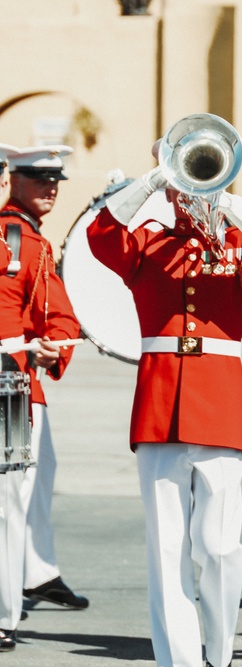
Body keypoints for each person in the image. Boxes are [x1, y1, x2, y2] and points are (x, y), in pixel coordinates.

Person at [87, 125, 242, 667]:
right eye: (184, 177)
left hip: (219, 411)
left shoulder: (239, 248)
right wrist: (154, 179)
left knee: (220, 547)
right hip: (159, 409)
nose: (190, 191)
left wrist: (224, 197)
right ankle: (179, 660)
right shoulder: (147, 242)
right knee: (166, 550)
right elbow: (100, 233)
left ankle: (220, 653)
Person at [1, 146, 85, 611]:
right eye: (38, 179)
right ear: (12, 180)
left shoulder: (30, 238)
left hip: (22, 379)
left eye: (54, 181)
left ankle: (37, 570)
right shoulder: (20, 238)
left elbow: (55, 312)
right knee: (13, 492)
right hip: (12, 378)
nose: (50, 188)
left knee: (37, 474)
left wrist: (56, 345)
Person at [0, 143, 27, 652]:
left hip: (7, 381)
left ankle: (3, 614)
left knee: (7, 505)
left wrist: (48, 344)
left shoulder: (22, 243)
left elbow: (55, 313)